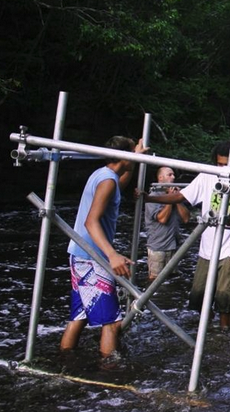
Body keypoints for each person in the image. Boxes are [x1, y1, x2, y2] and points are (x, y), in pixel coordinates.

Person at [142, 142, 230, 330]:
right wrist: (149, 198)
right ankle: (206, 335)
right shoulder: (207, 177)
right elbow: (180, 197)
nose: (225, 169)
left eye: (229, 165)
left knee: (226, 301)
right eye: (220, 165)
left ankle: (224, 338)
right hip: (207, 250)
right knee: (199, 296)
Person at [60, 136, 147, 357]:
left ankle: (65, 358)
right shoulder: (107, 180)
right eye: (130, 154)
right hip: (92, 257)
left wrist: (135, 159)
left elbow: (120, 185)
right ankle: (109, 369)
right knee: (111, 321)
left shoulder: (104, 175)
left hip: (80, 254)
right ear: (122, 156)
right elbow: (91, 221)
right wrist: (112, 255)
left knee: (79, 315)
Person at [144, 166, 190, 281]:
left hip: (173, 246)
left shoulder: (175, 195)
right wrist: (170, 199)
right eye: (170, 175)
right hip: (158, 248)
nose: (173, 177)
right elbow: (162, 219)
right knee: (155, 281)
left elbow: (186, 218)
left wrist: (176, 198)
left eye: (173, 174)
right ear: (160, 178)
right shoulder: (153, 197)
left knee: (172, 280)